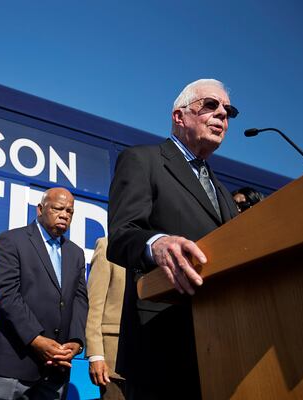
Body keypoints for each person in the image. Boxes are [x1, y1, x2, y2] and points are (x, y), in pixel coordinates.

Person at [107, 79, 240, 399]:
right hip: (161, 341)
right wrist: (157, 244)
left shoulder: (222, 192)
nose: (222, 114)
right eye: (211, 105)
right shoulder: (143, 160)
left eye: (228, 110)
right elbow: (122, 236)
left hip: (223, 342)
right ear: (179, 116)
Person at [0, 187, 88, 400]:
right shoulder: (12, 240)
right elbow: (6, 293)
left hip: (57, 367)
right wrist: (36, 339)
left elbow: (79, 300)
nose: (64, 215)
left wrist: (76, 341)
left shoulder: (76, 253)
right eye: (58, 208)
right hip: (14, 361)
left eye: (70, 211)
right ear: (40, 209)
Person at [85, 237, 126, 400]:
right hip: (114, 361)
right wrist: (96, 355)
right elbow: (94, 305)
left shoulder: (163, 247)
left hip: (153, 359)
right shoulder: (107, 245)